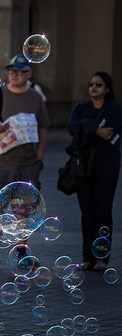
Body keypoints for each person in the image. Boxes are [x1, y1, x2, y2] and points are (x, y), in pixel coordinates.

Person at [0, 54, 50, 272]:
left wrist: (39, 158)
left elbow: (43, 129)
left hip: (28, 164)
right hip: (1, 162)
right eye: (12, 71)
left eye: (20, 71)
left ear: (29, 74)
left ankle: (21, 255)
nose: (14, 74)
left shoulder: (35, 98)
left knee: (24, 211)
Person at [67, 71, 121, 271]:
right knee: (86, 211)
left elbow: (111, 134)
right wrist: (96, 130)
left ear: (107, 88)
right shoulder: (81, 107)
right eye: (91, 84)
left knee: (103, 210)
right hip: (83, 167)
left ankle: (102, 257)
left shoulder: (114, 109)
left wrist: (86, 129)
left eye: (98, 84)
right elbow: (72, 129)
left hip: (106, 167)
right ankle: (88, 257)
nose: (93, 88)